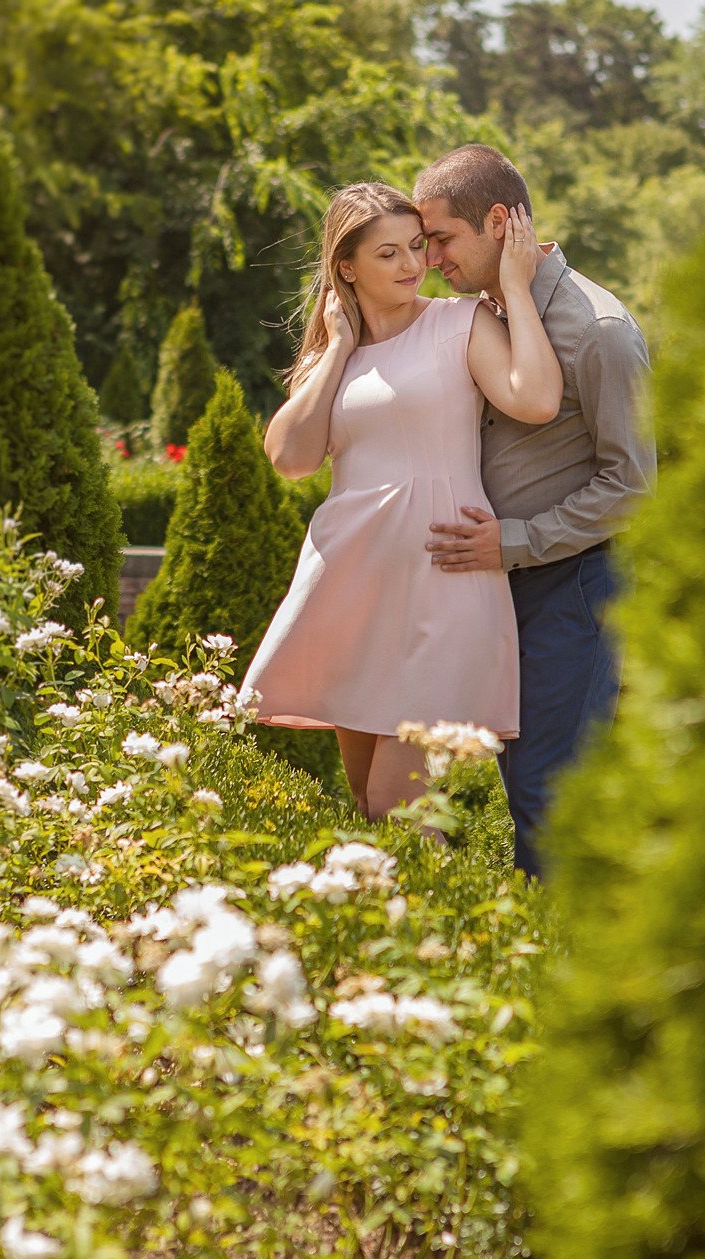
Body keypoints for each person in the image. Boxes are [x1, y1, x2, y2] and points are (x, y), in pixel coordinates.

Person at [240, 182, 563, 821]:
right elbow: (291, 458)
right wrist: (335, 348)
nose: (413, 265)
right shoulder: (338, 356)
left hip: (444, 583)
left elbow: (536, 399)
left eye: (417, 246)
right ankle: (398, 923)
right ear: (346, 267)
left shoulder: (460, 321)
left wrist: (517, 291)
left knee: (399, 805)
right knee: (368, 805)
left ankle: (455, 923)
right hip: (351, 590)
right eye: (387, 254)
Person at [414, 144, 655, 879]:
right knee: (457, 791)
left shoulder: (600, 330)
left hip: (572, 588)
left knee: (552, 793)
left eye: (442, 239)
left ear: (496, 222)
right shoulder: (478, 317)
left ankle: (563, 975)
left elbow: (633, 484)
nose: (431, 261)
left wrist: (513, 542)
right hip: (487, 588)